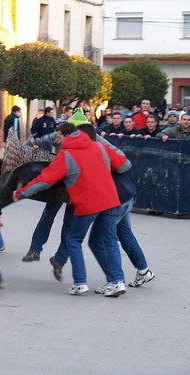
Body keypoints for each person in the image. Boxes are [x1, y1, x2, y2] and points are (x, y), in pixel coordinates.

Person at [13, 128, 131, 295]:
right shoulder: (99, 146)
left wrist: (21, 192)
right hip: (110, 200)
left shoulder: (66, 155)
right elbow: (125, 164)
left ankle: (80, 283)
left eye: (59, 137)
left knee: (73, 240)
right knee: (110, 240)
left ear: (68, 136)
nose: (58, 140)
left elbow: (44, 180)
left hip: (87, 203)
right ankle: (117, 281)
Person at [78, 124, 155, 295]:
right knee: (125, 234)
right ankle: (143, 271)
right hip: (127, 194)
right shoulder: (104, 147)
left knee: (100, 241)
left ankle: (115, 281)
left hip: (114, 201)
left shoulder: (89, 152)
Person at [21, 122, 77, 262]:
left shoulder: (91, 140)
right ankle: (37, 249)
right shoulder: (57, 137)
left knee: (66, 222)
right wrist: (35, 155)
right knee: (52, 216)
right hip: (60, 184)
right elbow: (35, 143)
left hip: (74, 188)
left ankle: (54, 257)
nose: (57, 140)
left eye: (59, 137)